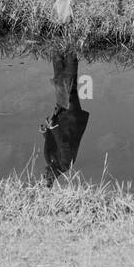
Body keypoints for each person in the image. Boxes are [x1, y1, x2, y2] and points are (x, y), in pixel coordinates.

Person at [39, 45, 90, 186]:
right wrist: (53, 127)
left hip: (61, 115)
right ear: (51, 178)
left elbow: (51, 141)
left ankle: (58, 49)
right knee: (68, 87)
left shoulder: (50, 161)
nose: (44, 172)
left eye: (43, 175)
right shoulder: (66, 164)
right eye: (45, 176)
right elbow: (63, 143)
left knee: (60, 83)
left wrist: (45, 132)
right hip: (71, 118)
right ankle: (71, 50)